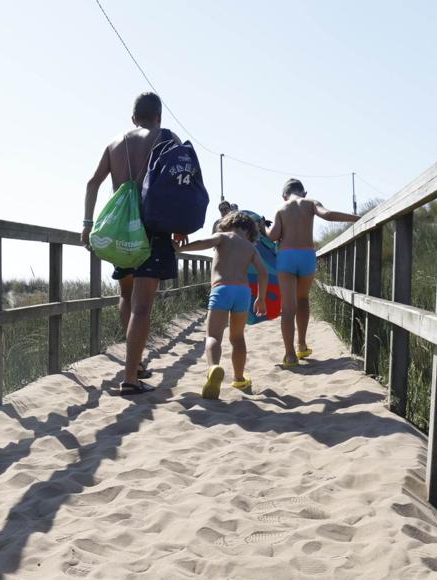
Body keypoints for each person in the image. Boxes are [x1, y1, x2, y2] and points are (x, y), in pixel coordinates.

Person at [82, 91, 183, 395]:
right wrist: (180, 225)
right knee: (142, 307)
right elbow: (181, 181)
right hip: (151, 229)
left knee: (126, 296)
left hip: (121, 233)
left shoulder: (115, 143)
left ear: (133, 118)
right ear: (159, 116)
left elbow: (92, 183)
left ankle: (135, 364)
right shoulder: (167, 137)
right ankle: (130, 378)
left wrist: (87, 225)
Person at [267, 179, 360, 366]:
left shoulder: (280, 208)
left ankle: (290, 355)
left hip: (286, 257)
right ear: (304, 192)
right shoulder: (310, 203)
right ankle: (301, 344)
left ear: (284, 195)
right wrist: (355, 218)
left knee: (288, 307)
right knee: (303, 299)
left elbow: (274, 236)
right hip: (307, 256)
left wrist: (264, 227)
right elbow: (328, 214)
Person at [177, 211, 269, 398]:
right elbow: (263, 272)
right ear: (250, 231)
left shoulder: (222, 237)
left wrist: (179, 249)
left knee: (213, 336)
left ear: (226, 223)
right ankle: (239, 378)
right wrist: (261, 298)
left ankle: (213, 368)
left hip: (222, 289)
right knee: (237, 338)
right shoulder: (251, 248)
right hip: (243, 293)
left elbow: (203, 243)